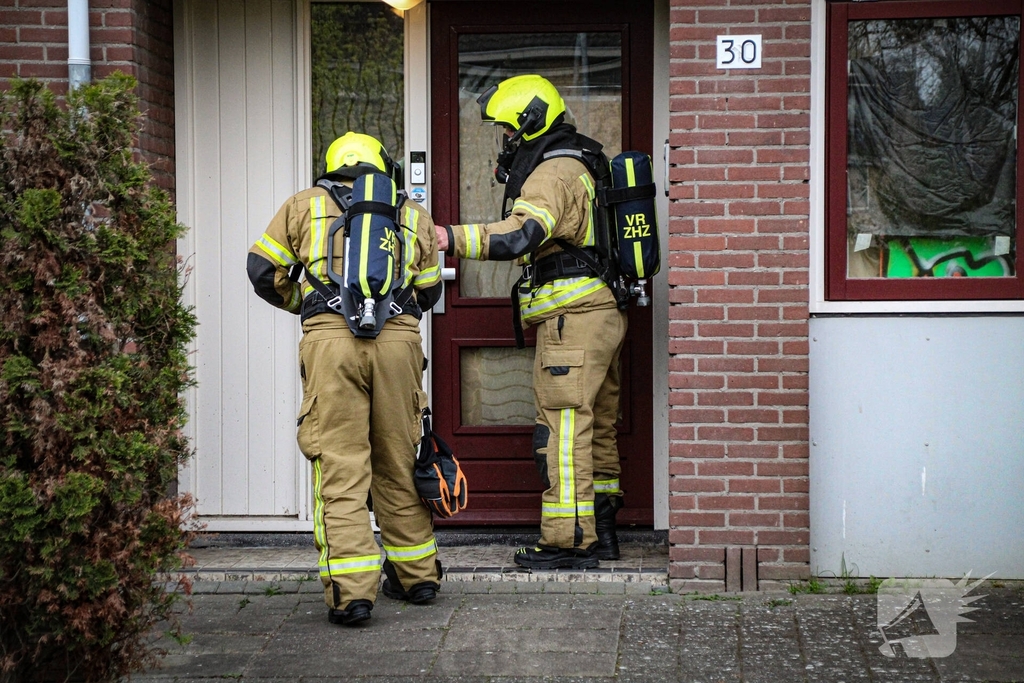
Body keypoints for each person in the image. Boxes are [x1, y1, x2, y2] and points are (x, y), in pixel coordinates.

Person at [248, 132, 444, 626]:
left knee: (341, 466)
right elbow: (429, 289)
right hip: (398, 345)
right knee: (400, 459)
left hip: (331, 344)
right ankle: (417, 577)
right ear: (382, 167)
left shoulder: (304, 205)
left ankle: (353, 594)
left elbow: (261, 270)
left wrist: (310, 305)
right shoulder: (411, 213)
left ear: (331, 166)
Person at [435, 75, 627, 569]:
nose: (506, 141)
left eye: (508, 131)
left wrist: (447, 239)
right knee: (595, 424)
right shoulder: (582, 162)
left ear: (529, 123)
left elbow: (522, 236)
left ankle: (568, 542)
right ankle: (601, 531)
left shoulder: (552, 173)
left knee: (561, 431)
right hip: (601, 312)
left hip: (573, 318)